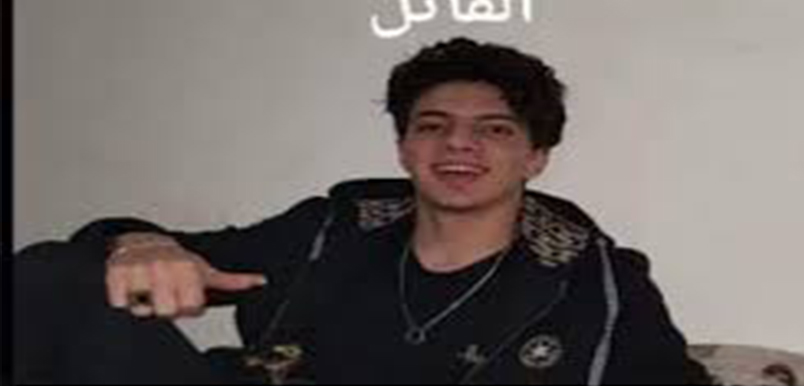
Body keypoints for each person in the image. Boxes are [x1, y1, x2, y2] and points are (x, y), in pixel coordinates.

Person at [14, 37, 711, 385]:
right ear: (405, 148)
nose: (458, 144)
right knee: (53, 274)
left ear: (535, 158)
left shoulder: (594, 279)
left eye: (494, 129)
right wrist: (139, 243)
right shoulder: (332, 227)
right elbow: (136, 251)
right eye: (433, 125)